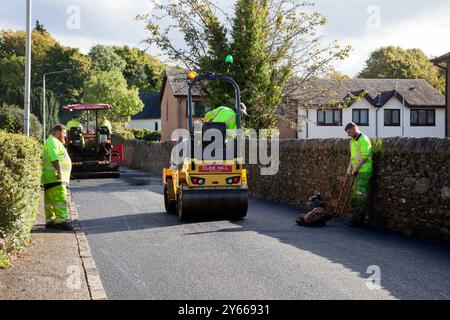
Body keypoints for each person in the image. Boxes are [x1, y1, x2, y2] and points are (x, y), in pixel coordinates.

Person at [42, 124, 73, 231]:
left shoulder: (51, 142)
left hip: (50, 178)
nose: (65, 136)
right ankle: (61, 222)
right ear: (59, 132)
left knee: (50, 202)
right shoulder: (53, 142)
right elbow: (54, 157)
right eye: (64, 133)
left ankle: (51, 222)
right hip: (55, 178)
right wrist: (59, 172)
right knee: (60, 199)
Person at [344, 122, 373, 227]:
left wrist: (356, 168)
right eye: (347, 133)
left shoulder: (363, 140)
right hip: (355, 171)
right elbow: (352, 157)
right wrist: (349, 167)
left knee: (360, 194)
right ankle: (354, 217)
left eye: (350, 132)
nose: (348, 134)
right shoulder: (352, 141)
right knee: (354, 194)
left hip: (364, 171)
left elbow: (365, 156)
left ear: (354, 129)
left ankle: (358, 220)